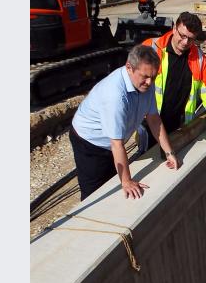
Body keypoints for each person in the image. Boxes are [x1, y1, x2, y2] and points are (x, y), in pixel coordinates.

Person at [70, 44, 181, 201]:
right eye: (145, 77)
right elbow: (117, 144)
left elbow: (154, 119)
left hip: (111, 142)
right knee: (94, 194)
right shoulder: (115, 95)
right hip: (90, 142)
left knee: (113, 182)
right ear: (129, 68)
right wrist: (127, 181)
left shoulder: (145, 84)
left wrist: (170, 153)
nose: (150, 82)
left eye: (153, 77)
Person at [141, 11, 206, 150]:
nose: (185, 42)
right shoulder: (151, 49)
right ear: (174, 28)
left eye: (191, 39)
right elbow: (133, 84)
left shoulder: (198, 58)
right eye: (182, 36)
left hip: (180, 126)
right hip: (149, 123)